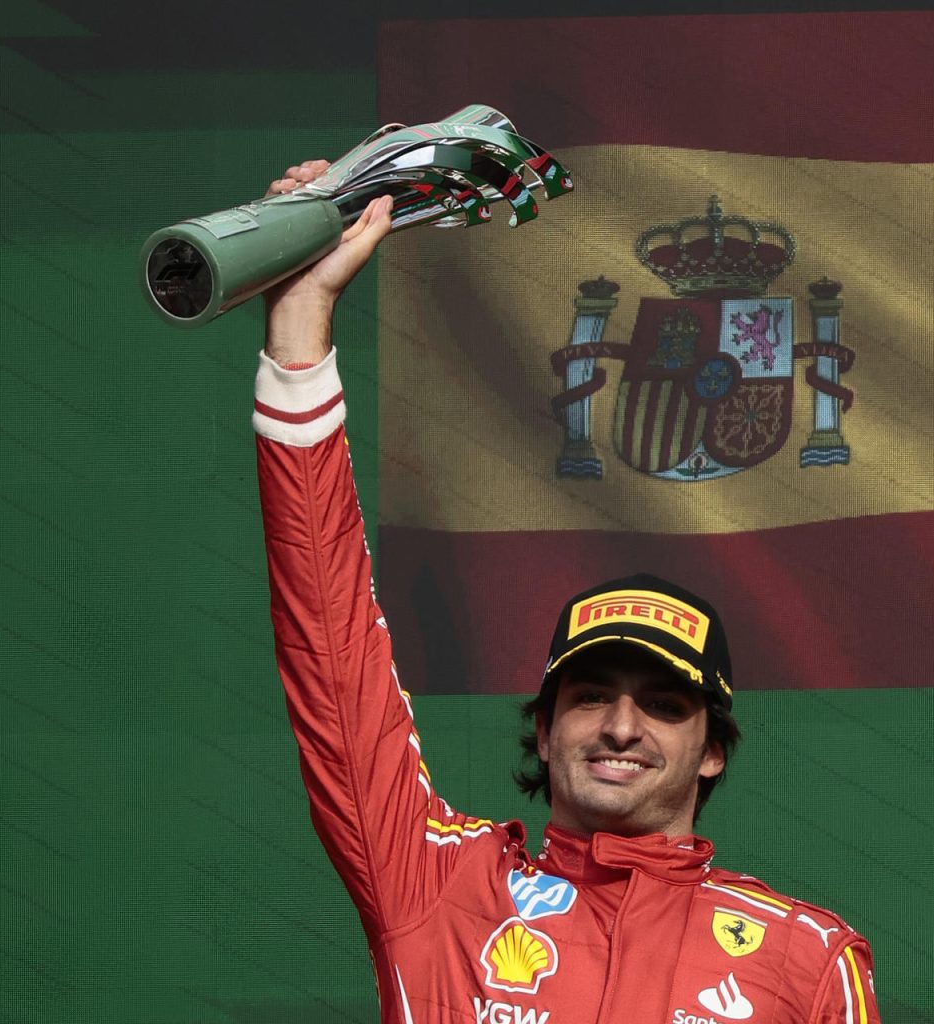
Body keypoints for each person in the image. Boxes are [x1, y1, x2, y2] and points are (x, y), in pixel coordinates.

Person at [251, 159, 880, 1024]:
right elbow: (331, 652)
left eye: (663, 704)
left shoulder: (804, 961)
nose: (621, 725)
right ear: (544, 732)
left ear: (712, 750)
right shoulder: (437, 885)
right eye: (590, 697)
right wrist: (298, 328)